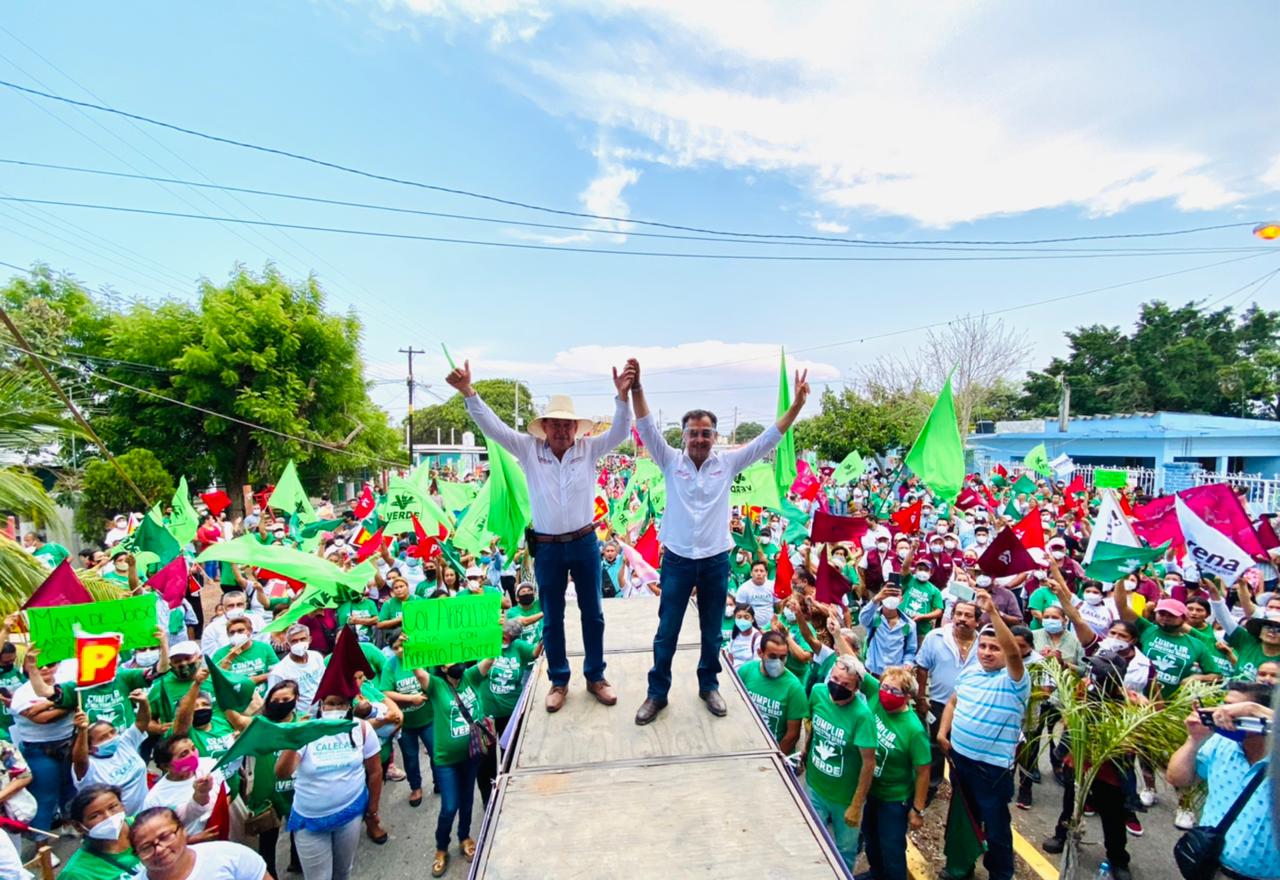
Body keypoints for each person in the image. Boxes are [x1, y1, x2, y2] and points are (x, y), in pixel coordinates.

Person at [448, 358, 634, 714]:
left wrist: (621, 396)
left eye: (568, 425)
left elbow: (622, 432)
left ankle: (595, 676)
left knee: (592, 612)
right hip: (546, 547)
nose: (562, 431)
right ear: (544, 426)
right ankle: (559, 680)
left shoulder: (589, 449)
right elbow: (493, 427)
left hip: (583, 543)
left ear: (576, 428)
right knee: (552, 615)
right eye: (556, 425)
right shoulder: (528, 449)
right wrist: (468, 391)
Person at [632, 358, 809, 725]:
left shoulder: (726, 464)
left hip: (715, 560)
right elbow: (647, 428)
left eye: (706, 433)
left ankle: (708, 684)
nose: (700, 439)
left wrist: (795, 409)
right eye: (694, 433)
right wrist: (637, 388)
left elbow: (767, 440)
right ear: (683, 436)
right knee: (667, 631)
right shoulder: (669, 461)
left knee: (712, 630)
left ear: (715, 437)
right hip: (678, 560)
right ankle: (657, 693)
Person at [937, 589, 1031, 880]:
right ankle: (960, 867)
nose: (987, 653)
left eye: (995, 648)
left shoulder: (1015, 680)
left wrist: (991, 612)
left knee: (996, 825)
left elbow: (1014, 652)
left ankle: (1000, 873)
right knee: (963, 818)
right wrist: (943, 732)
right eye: (984, 647)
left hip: (992, 770)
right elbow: (953, 700)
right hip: (960, 761)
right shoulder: (971, 671)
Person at [1166, 681, 1276, 880]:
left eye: (1234, 710)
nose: (1224, 714)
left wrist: (1253, 709)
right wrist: (1194, 739)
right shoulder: (1221, 743)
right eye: (1224, 705)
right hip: (1209, 866)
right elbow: (1177, 778)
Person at [1042, 650, 1136, 880]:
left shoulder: (1129, 702)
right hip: (1078, 762)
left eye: (1101, 670)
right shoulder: (1084, 688)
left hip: (1109, 771)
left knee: (1113, 816)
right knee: (1070, 804)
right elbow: (1069, 720)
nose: (1094, 673)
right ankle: (1062, 834)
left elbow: (1132, 743)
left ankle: (1117, 858)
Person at [276, 693, 382, 880]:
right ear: (321, 705)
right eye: (331, 704)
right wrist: (295, 739)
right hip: (310, 821)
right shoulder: (306, 729)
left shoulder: (361, 729)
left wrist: (372, 809)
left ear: (349, 707)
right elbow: (282, 772)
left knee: (342, 872)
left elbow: (374, 771)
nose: (335, 709)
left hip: (349, 815)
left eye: (341, 704)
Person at [411, 659, 496, 878]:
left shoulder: (471, 676)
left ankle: (464, 836)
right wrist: (410, 652)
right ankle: (441, 847)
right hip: (446, 760)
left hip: (472, 754)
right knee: (449, 806)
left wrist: (496, 629)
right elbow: (420, 674)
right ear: (442, 668)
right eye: (450, 661)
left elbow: (490, 657)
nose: (456, 663)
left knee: (468, 799)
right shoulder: (437, 686)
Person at [798, 654, 876, 871]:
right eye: (835, 679)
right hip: (815, 786)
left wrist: (856, 805)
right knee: (811, 840)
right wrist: (805, 750)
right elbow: (811, 723)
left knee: (844, 850)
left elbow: (868, 764)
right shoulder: (818, 693)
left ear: (856, 688)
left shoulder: (862, 716)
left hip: (844, 798)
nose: (837, 687)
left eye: (845, 685)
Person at [860, 665, 931, 880]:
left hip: (895, 799)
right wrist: (836, 635)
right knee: (871, 842)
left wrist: (917, 809)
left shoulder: (913, 729)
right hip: (872, 791)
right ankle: (876, 874)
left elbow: (923, 771)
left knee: (891, 849)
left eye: (895, 691)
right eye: (884, 687)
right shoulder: (876, 698)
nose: (887, 693)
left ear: (907, 696)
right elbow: (854, 663)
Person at [914, 599, 980, 802]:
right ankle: (930, 789)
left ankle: (961, 794)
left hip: (970, 709)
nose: (962, 619)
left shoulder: (983, 643)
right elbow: (922, 668)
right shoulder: (936, 637)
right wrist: (922, 697)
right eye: (958, 614)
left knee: (962, 751)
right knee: (934, 747)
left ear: (977, 621)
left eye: (968, 615)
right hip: (939, 704)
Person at [129, 806, 270, 880]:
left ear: (183, 831)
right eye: (146, 847)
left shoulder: (231, 856)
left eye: (165, 836)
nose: (159, 849)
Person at [379, 632, 438, 806]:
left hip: (428, 718)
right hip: (405, 723)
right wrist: (410, 699)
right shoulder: (390, 666)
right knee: (410, 757)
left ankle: (439, 781)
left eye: (401, 645)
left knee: (436, 753)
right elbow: (385, 692)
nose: (399, 650)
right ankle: (415, 787)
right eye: (395, 648)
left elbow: (434, 680)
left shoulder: (423, 657)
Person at [70, 690, 151, 814]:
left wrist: (144, 703)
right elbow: (80, 761)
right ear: (90, 748)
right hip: (115, 824)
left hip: (145, 813)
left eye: (112, 732)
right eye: (103, 738)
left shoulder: (124, 743)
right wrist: (82, 730)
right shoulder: (90, 766)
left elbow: (141, 722)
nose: (111, 738)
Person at [736, 631, 807, 753]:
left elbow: (792, 735)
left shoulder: (794, 688)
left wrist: (776, 759)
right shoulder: (746, 671)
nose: (778, 662)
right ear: (760, 653)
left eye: (782, 657)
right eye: (772, 657)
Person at [142, 735, 224, 836]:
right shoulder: (154, 799)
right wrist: (190, 840)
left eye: (193, 749)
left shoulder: (209, 765)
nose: (192, 755)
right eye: (184, 754)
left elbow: (225, 795)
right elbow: (157, 834)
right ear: (166, 766)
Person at [60, 784, 140, 880]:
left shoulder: (149, 827)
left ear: (122, 806)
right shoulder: (76, 874)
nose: (109, 817)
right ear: (78, 826)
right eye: (95, 816)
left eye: (113, 807)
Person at [859, 586, 918, 675]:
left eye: (895, 595)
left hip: (894, 676)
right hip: (872, 672)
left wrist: (907, 664)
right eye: (888, 594)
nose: (891, 597)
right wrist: (875, 600)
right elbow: (863, 619)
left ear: (901, 599)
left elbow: (910, 651)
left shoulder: (909, 625)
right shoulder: (874, 618)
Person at [267, 625, 326, 713]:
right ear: (287, 644)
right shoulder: (279, 671)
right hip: (299, 718)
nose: (299, 643)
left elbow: (323, 680)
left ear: (309, 639)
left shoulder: (316, 657)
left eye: (303, 639)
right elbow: (272, 699)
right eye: (294, 641)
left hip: (321, 711)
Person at [735, 561, 776, 630]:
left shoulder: (773, 586)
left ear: (766, 573)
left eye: (761, 571)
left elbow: (778, 607)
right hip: (751, 626)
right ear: (751, 573)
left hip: (771, 626)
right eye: (756, 571)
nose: (759, 573)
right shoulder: (743, 588)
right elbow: (740, 609)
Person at [726, 603, 763, 668]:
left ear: (752, 619)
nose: (742, 620)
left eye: (746, 617)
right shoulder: (734, 634)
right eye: (739, 617)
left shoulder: (758, 638)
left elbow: (756, 664)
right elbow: (730, 656)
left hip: (748, 673)